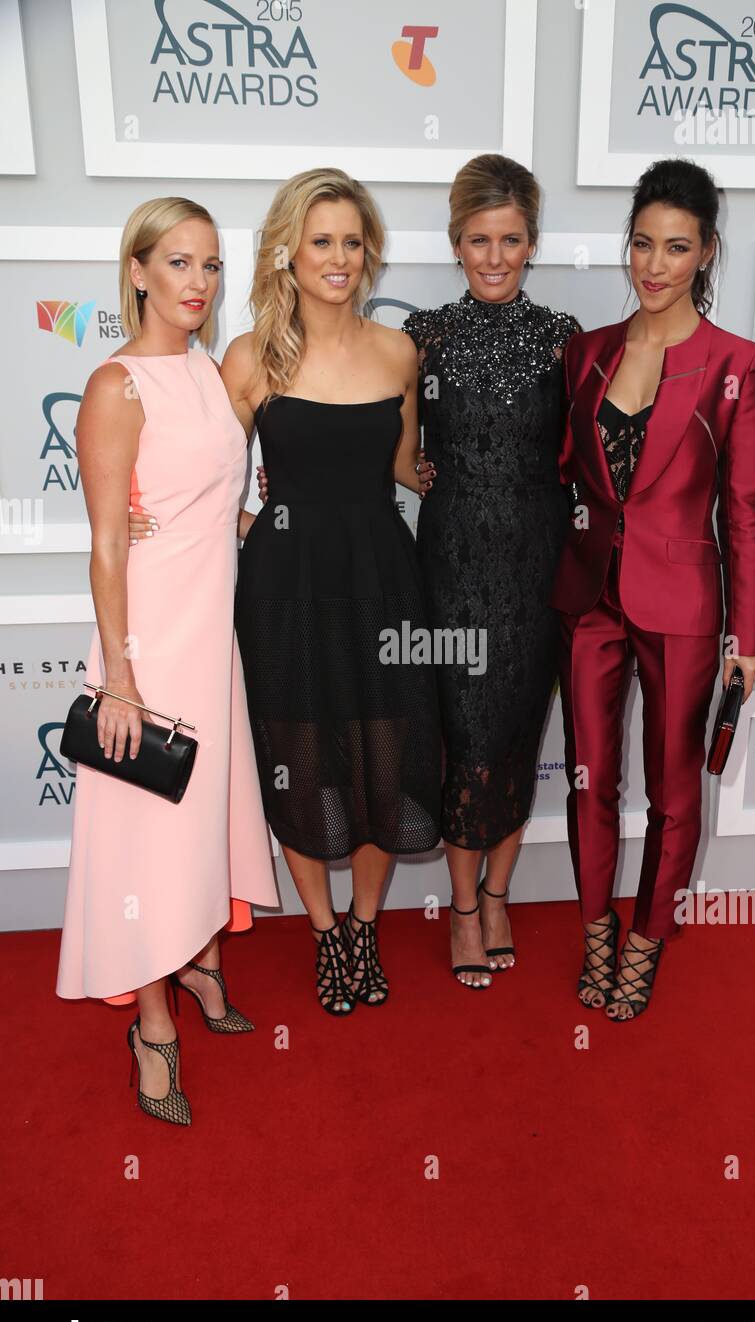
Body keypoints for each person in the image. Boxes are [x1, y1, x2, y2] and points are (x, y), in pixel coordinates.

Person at [57, 197, 280, 1126]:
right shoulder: (118, 385)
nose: (199, 283)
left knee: (201, 816)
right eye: (179, 264)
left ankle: (196, 961)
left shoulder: (207, 372)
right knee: (146, 830)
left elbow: (225, 501)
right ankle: (152, 1025)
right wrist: (119, 675)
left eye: (212, 266)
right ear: (138, 271)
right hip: (146, 639)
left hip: (207, 629)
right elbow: (107, 546)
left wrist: (221, 515)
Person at [552, 158, 755, 1021]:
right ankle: (597, 929)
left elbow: (745, 508)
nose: (654, 264)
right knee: (587, 779)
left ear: (707, 251)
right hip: (589, 599)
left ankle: (645, 943)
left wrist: (747, 635)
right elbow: (567, 473)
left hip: (683, 603)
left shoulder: (736, 363)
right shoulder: (588, 351)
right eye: (642, 243)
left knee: (675, 792)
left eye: (676, 248)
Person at [222, 169, 440, 1015]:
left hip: (385, 578)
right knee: (302, 756)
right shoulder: (251, 358)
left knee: (389, 754)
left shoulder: (397, 352)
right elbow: (208, 479)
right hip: (286, 587)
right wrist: (244, 526)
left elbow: (401, 468)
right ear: (289, 250)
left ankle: (364, 924)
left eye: (354, 241)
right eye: (323, 241)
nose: (340, 258)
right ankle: (322, 932)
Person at [400, 154, 581, 989]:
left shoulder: (563, 340)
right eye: (479, 239)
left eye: (511, 239)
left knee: (516, 734)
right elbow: (397, 455)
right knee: (464, 737)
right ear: (456, 241)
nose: (496, 256)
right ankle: (463, 906)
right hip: (451, 566)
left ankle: (499, 893)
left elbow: (587, 460)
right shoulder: (421, 336)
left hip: (538, 563)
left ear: (532, 242)